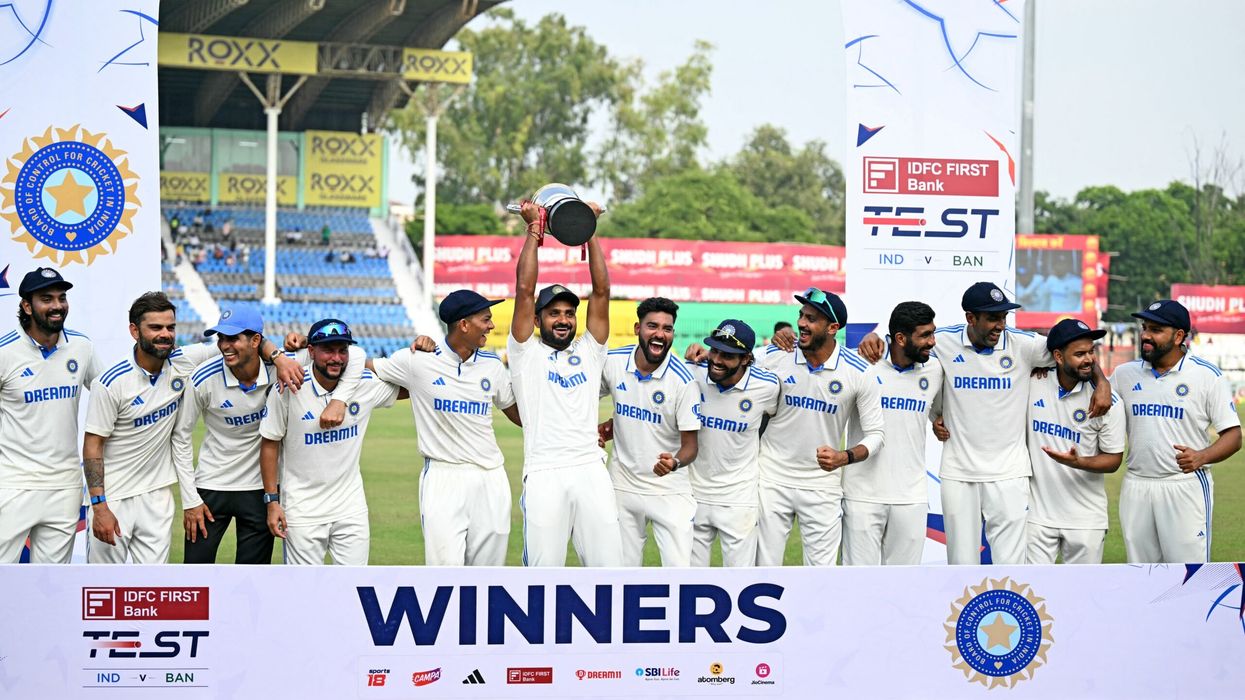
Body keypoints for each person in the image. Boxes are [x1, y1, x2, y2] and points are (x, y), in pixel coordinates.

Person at [857, 281, 1111, 565]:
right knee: (961, 565)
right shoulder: (944, 342)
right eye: (992, 318)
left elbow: (1074, 349)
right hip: (959, 473)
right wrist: (875, 335)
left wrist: (1101, 382)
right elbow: (907, 337)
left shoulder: (1023, 345)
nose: (1000, 325)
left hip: (1009, 474)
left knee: (1010, 566)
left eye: (1003, 317)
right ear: (970, 318)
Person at [368, 290, 521, 566]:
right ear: (463, 324)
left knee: (488, 577)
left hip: (491, 478)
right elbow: (360, 366)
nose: (491, 326)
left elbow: (520, 416)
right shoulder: (418, 360)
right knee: (444, 575)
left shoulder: (492, 365)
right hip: (443, 476)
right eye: (485, 319)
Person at [507, 200, 622, 566]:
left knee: (609, 571)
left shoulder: (590, 350)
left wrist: (589, 229)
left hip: (590, 467)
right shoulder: (527, 353)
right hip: (544, 471)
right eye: (553, 313)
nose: (563, 319)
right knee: (542, 574)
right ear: (538, 320)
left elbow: (601, 292)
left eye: (569, 313)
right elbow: (524, 291)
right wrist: (533, 232)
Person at [750, 288, 884, 566]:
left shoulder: (858, 371)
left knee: (821, 575)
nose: (801, 323)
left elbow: (876, 435)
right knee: (763, 568)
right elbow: (729, 360)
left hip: (822, 485)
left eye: (811, 319)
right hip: (771, 479)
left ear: (833, 327)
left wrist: (843, 457)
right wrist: (700, 356)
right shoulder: (775, 356)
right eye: (801, 315)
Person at [172, 307, 312, 565]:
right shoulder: (203, 378)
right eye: (221, 339)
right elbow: (180, 438)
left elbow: (329, 354)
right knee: (194, 574)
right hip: (211, 486)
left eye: (233, 338)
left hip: (260, 491)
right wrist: (190, 500)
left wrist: (303, 340)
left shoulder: (280, 368)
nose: (225, 345)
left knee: (252, 579)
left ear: (256, 341)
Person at [259, 319, 404, 565]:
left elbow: (417, 385)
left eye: (342, 350)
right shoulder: (288, 387)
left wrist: (426, 354)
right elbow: (269, 444)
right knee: (304, 592)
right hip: (302, 510)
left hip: (350, 508)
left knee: (353, 588)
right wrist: (272, 502)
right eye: (328, 350)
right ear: (311, 352)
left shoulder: (363, 384)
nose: (336, 358)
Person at [1111, 300, 1240, 563]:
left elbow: (1234, 436)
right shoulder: (1124, 374)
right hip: (1137, 484)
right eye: (1145, 327)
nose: (1145, 335)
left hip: (1183, 485)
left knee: (1188, 575)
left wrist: (1202, 457)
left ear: (1179, 336)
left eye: (1156, 329)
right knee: (1141, 574)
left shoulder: (1206, 376)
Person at [0, 268, 104, 563]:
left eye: (62, 297)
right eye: (46, 298)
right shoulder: (5, 352)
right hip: (12, 483)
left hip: (65, 486)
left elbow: (110, 397)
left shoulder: (81, 347)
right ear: (27, 306)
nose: (57, 305)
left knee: (50, 584)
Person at [599, 297, 700, 566]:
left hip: (669, 490)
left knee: (679, 574)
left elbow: (691, 446)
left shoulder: (683, 381)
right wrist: (596, 430)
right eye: (652, 326)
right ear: (637, 328)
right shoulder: (613, 362)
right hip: (623, 485)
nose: (660, 334)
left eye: (667, 329)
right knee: (622, 573)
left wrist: (675, 462)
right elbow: (578, 400)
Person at [842, 301, 942, 566]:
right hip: (862, 495)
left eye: (933, 333)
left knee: (903, 588)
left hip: (911, 498)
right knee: (858, 586)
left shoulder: (935, 370)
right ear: (899, 338)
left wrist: (938, 423)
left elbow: (940, 413)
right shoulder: (861, 363)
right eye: (925, 335)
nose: (932, 342)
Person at [1025, 319, 1125, 565]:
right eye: (1079, 354)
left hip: (1086, 519)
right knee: (1032, 593)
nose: (1089, 359)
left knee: (1080, 598)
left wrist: (1079, 462)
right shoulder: (1030, 382)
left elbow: (1113, 460)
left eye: (1091, 351)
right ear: (1057, 356)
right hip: (1036, 517)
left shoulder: (1108, 402)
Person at [685, 320, 780, 566]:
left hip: (739, 498)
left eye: (727, 355)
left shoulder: (767, 387)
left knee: (740, 580)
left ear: (746, 359)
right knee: (690, 582)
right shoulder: (693, 373)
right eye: (714, 350)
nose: (716, 359)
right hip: (693, 494)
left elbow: (775, 413)